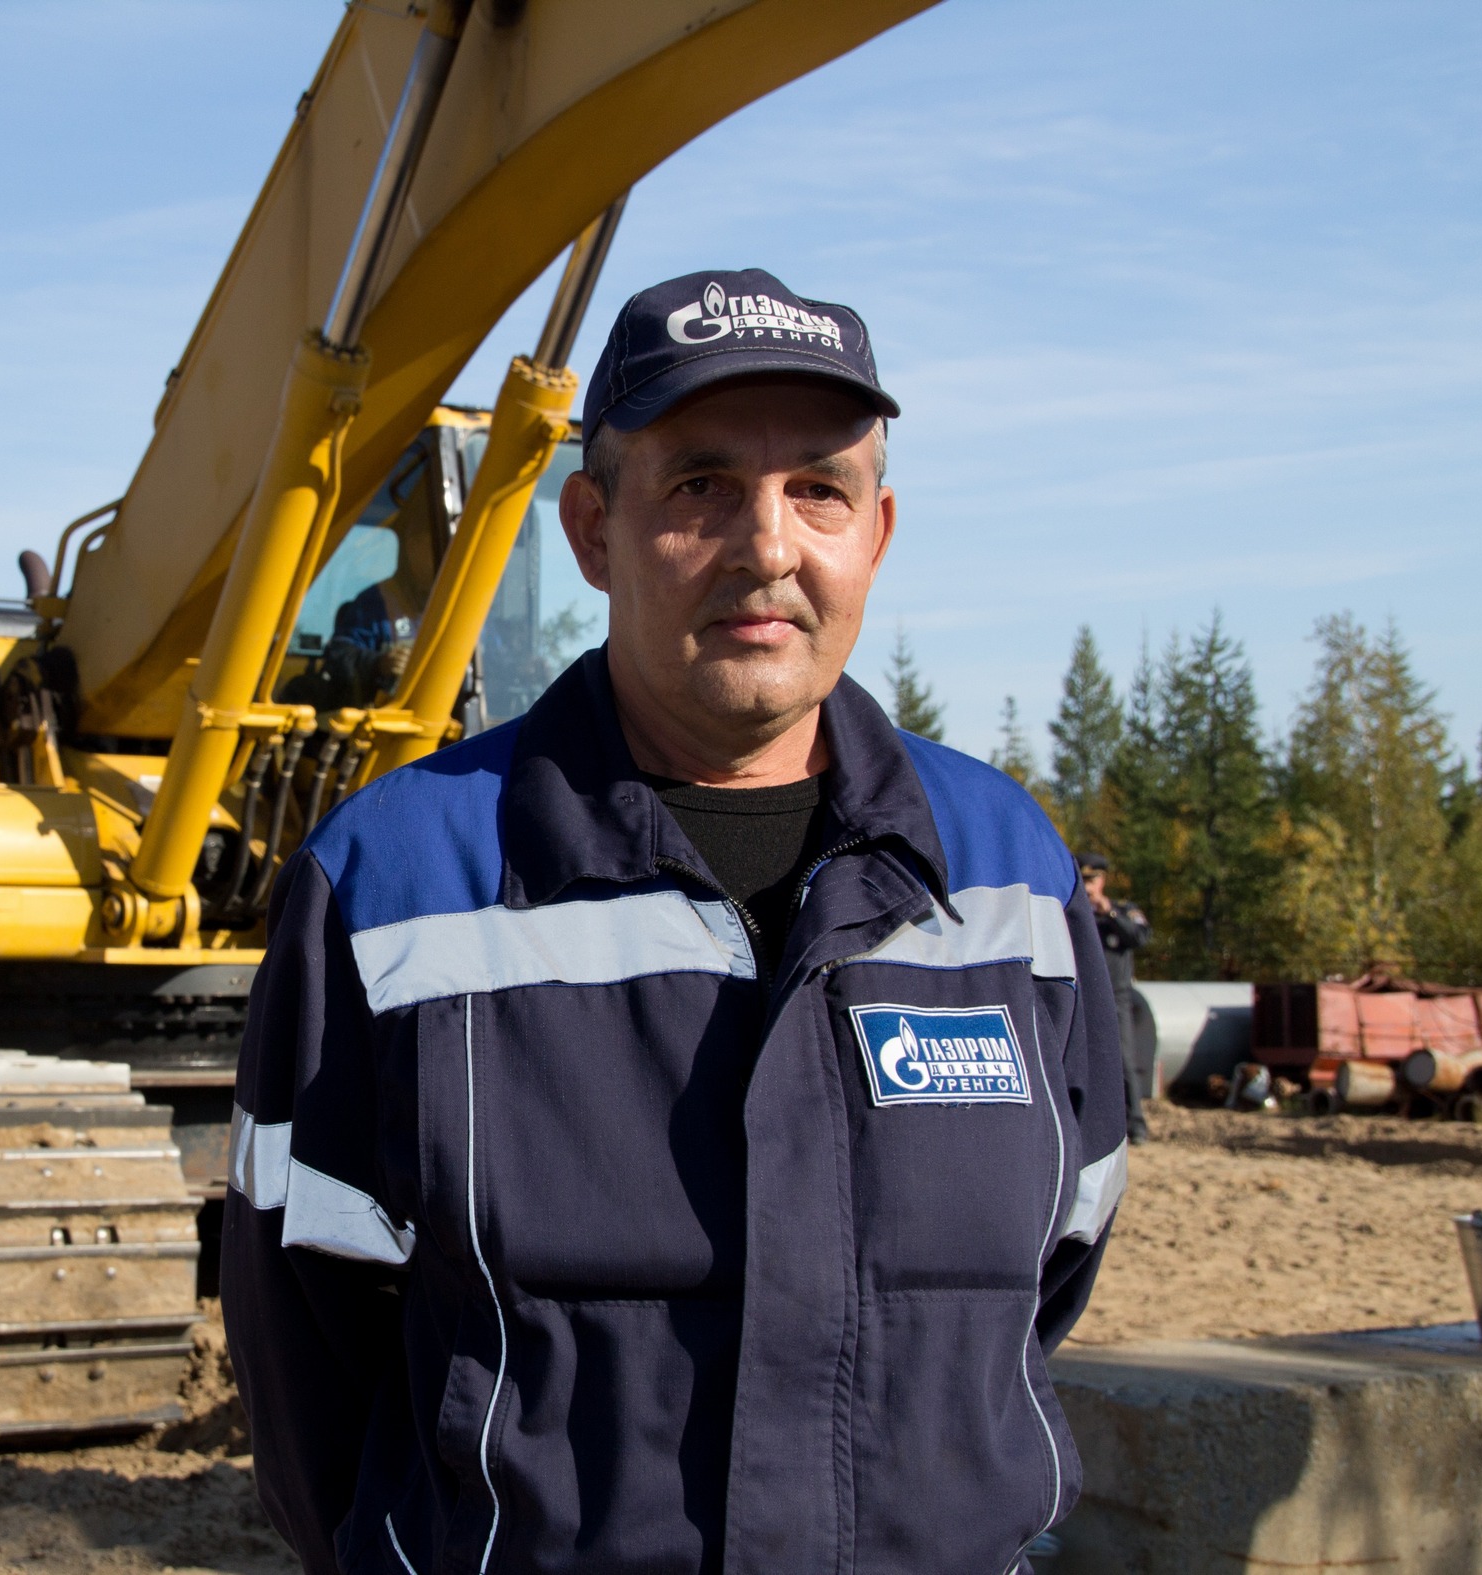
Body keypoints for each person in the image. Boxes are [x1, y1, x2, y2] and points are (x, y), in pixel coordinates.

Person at [223, 269, 1128, 1575]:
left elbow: (1048, 1269)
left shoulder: (1006, 874)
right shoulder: (394, 883)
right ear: (591, 528)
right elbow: (308, 1367)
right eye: (698, 484)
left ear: (875, 532)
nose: (766, 545)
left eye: (818, 487)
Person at [1080, 852, 1153, 1143]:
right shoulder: (1072, 913)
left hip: (1116, 998)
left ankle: (1136, 1125)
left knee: (1122, 1059)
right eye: (1083, 880)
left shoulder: (1122, 911)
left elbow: (1140, 936)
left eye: (1092, 880)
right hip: (1083, 995)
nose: (1088, 887)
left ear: (1103, 880)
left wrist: (1107, 912)